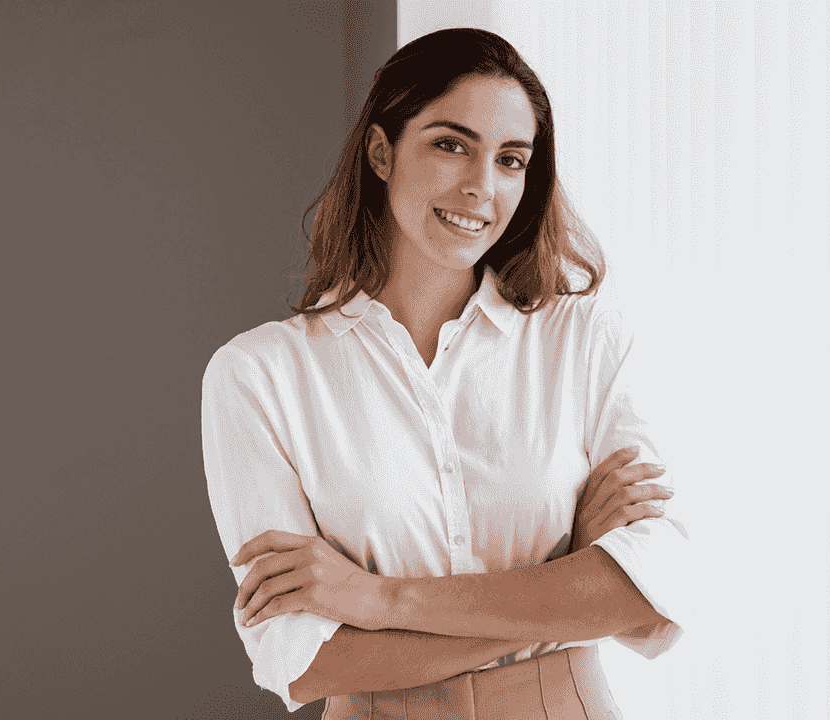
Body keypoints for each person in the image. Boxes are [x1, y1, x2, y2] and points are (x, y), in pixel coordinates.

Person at [201, 27, 690, 719]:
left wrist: (378, 601)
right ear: (381, 151)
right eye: (450, 144)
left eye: (511, 159)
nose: (480, 187)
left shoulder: (584, 342)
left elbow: (646, 598)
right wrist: (565, 589)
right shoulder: (258, 375)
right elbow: (308, 660)